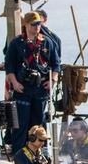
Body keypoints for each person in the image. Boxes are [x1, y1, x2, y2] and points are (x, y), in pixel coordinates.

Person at [5, 11, 60, 154]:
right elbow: (9, 65)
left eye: (39, 24)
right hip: (22, 89)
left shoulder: (47, 42)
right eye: (34, 24)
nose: (37, 27)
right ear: (26, 25)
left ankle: (42, 154)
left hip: (40, 88)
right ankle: (19, 154)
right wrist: (15, 83)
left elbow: (56, 65)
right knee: (20, 125)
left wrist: (52, 80)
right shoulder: (17, 43)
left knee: (39, 125)